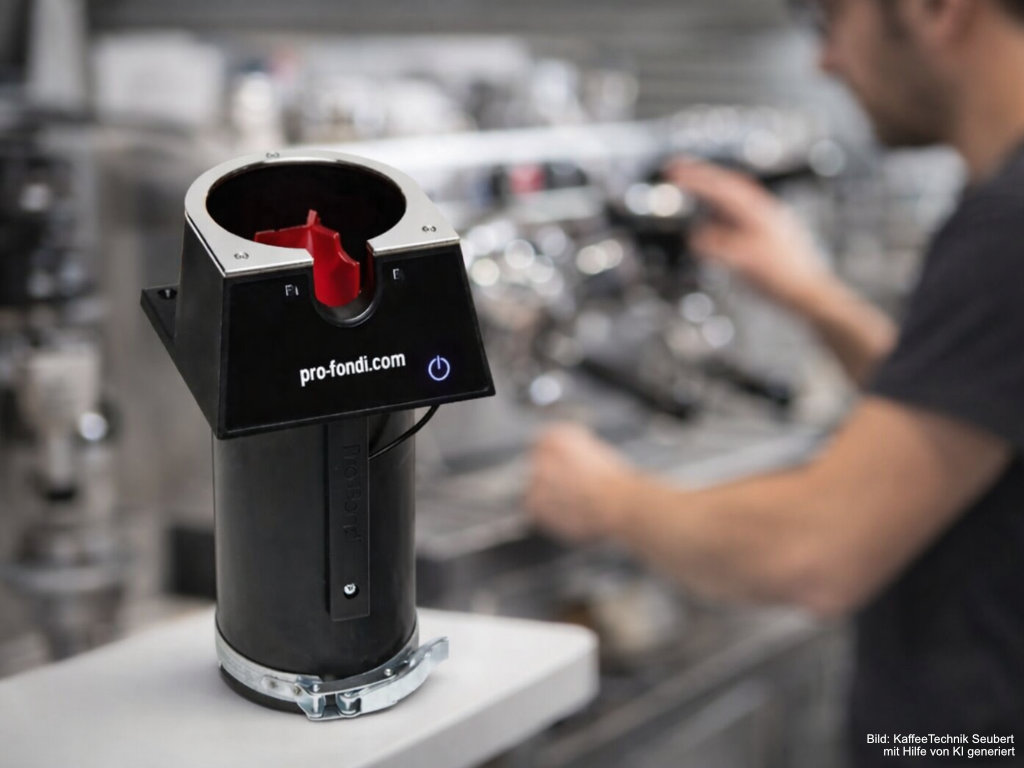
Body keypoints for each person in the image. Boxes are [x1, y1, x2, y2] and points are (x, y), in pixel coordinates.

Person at [525, 0, 1024, 763]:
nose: (825, 60)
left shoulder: (1007, 228)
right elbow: (969, 405)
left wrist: (609, 499)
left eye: (832, 19)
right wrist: (811, 294)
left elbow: (815, 551)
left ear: (939, 9)